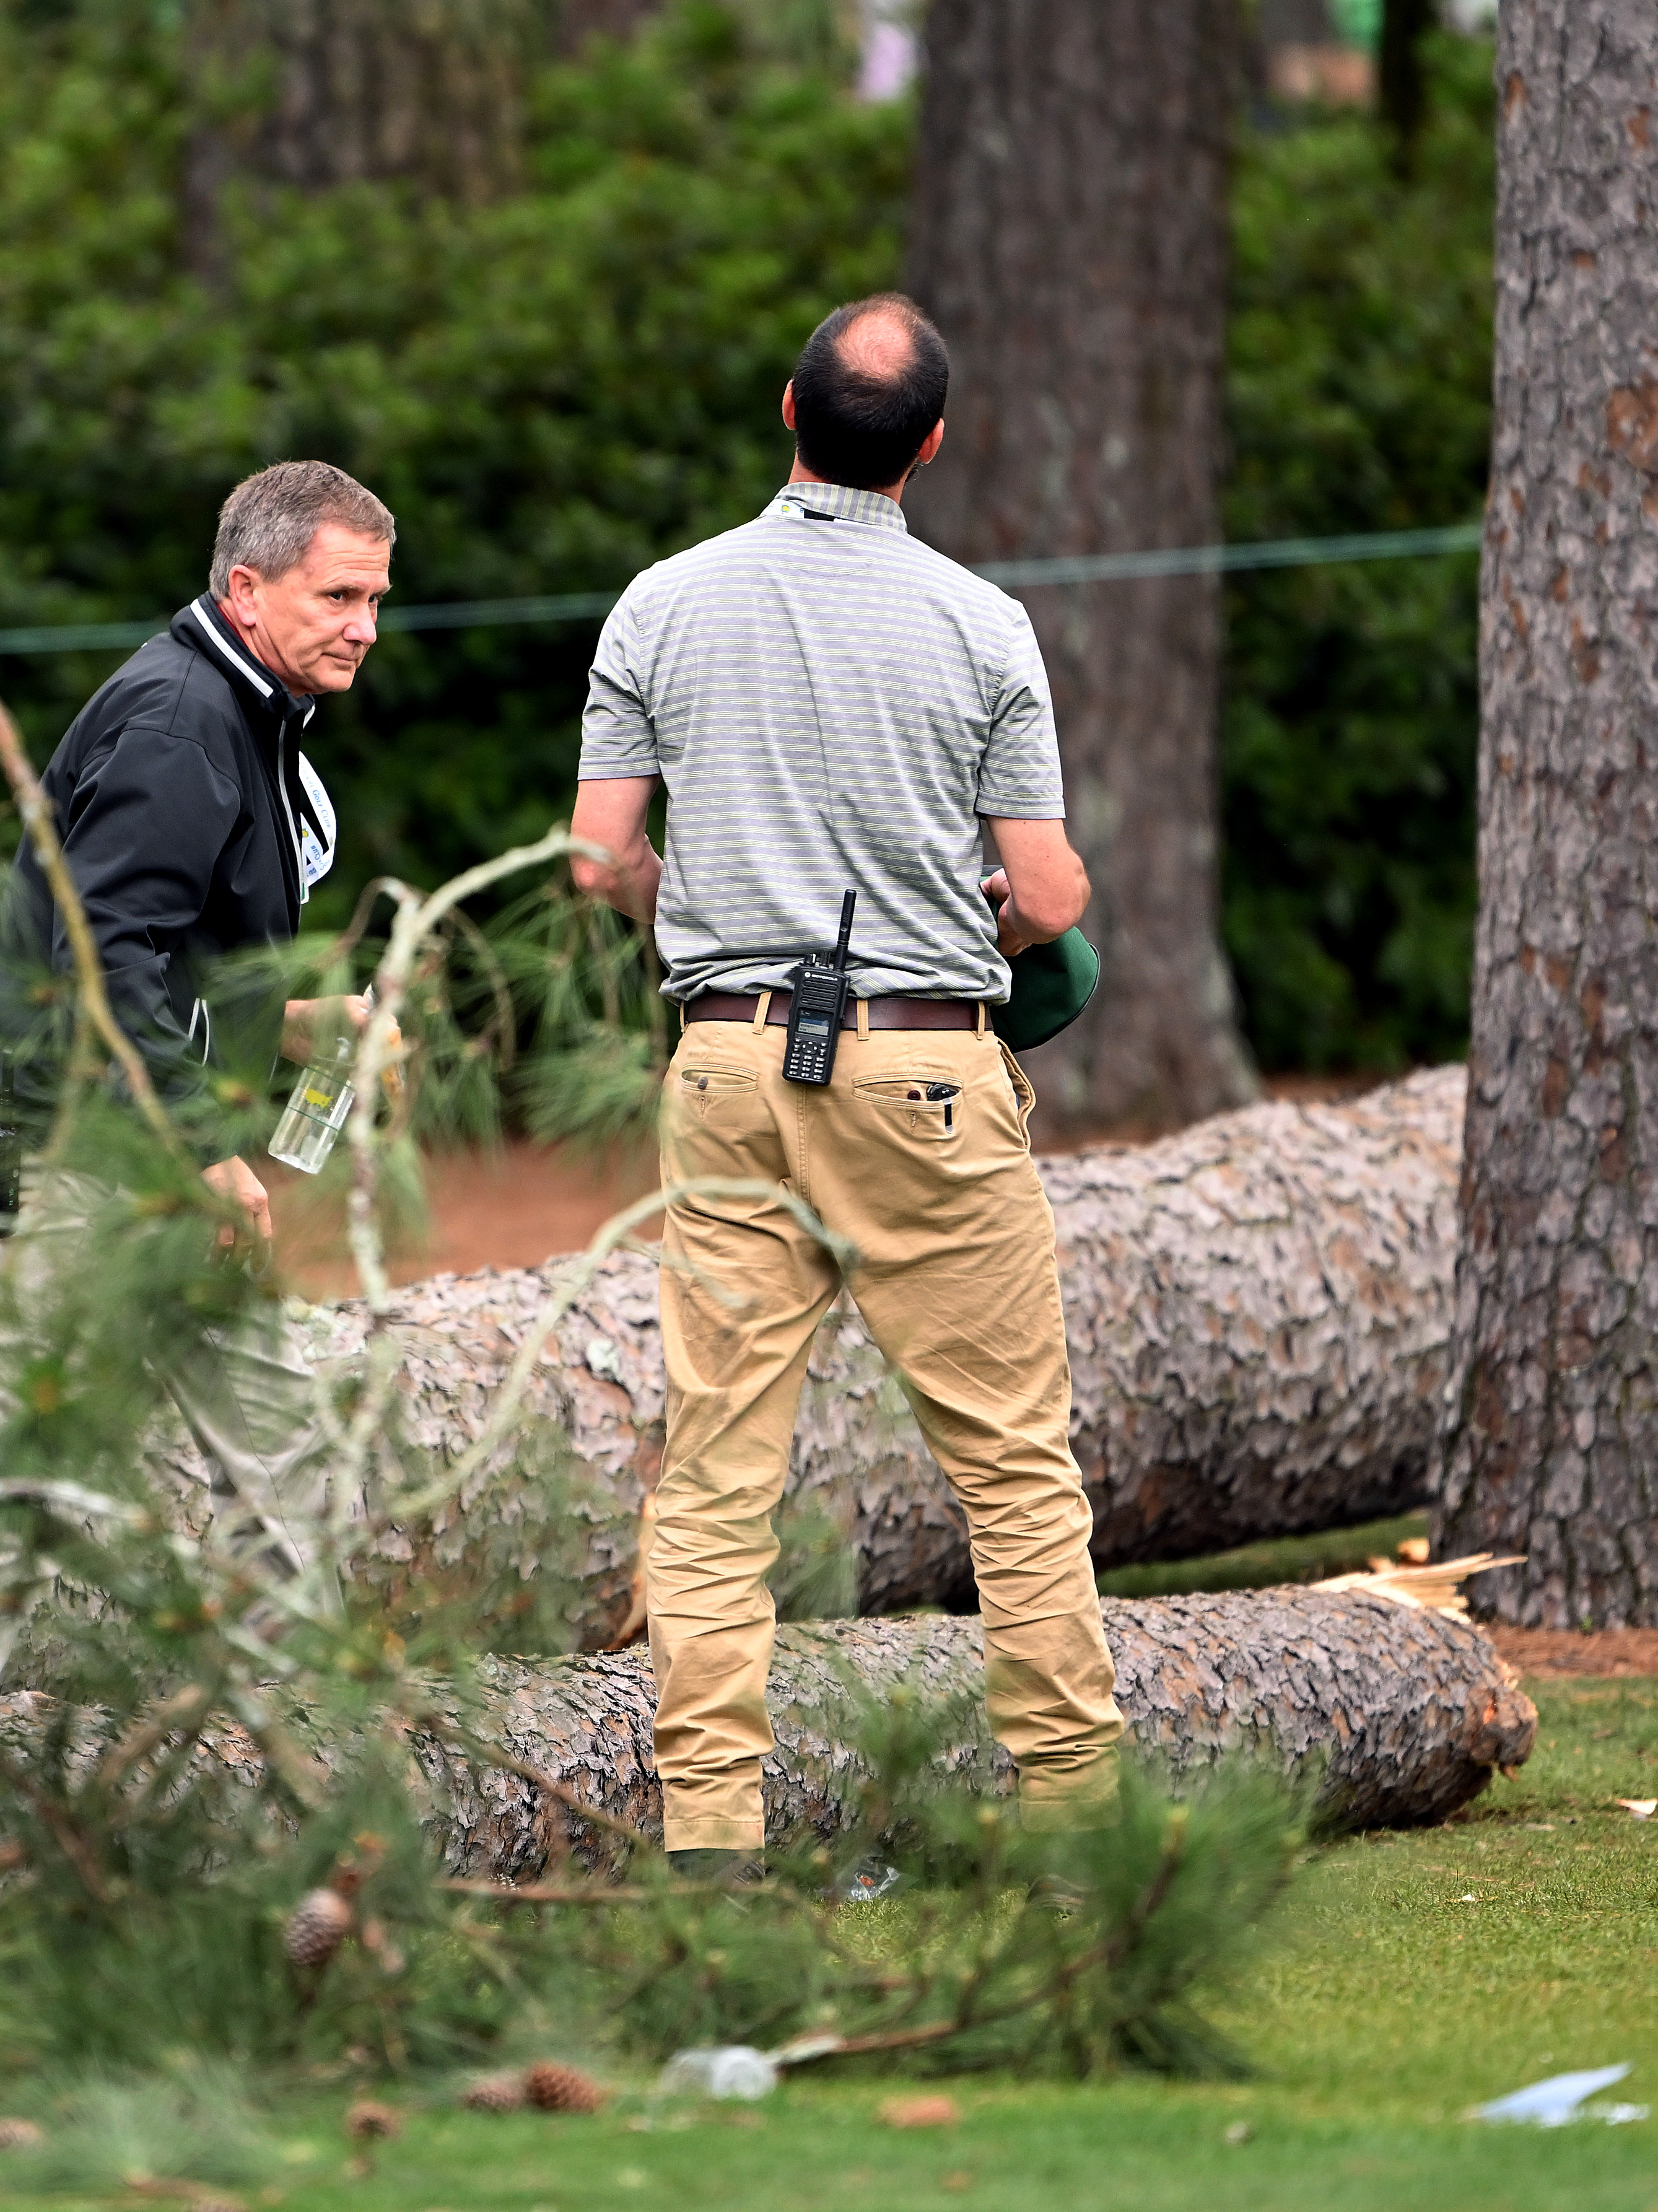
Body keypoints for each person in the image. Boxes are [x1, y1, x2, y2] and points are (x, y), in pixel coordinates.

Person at [568, 293, 1125, 1863]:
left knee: (717, 1473)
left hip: (729, 1061)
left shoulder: (659, 603)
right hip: (927, 1071)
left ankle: (713, 1835)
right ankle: (1081, 1824)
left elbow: (597, 855)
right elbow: (1054, 894)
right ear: (930, 446)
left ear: (786, 411)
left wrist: (686, 904)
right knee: (1011, 1459)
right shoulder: (981, 624)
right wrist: (999, 916)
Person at [0, 460, 399, 1711]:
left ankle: (253, 1761)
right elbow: (101, 961)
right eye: (338, 596)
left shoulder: (242, 708)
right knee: (22, 1480)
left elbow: (177, 962)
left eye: (376, 598)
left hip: (158, 1158)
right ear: (249, 589)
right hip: (106, 1160)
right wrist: (193, 1150)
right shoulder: (180, 722)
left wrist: (310, 1025)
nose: (364, 626)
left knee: (291, 1468)